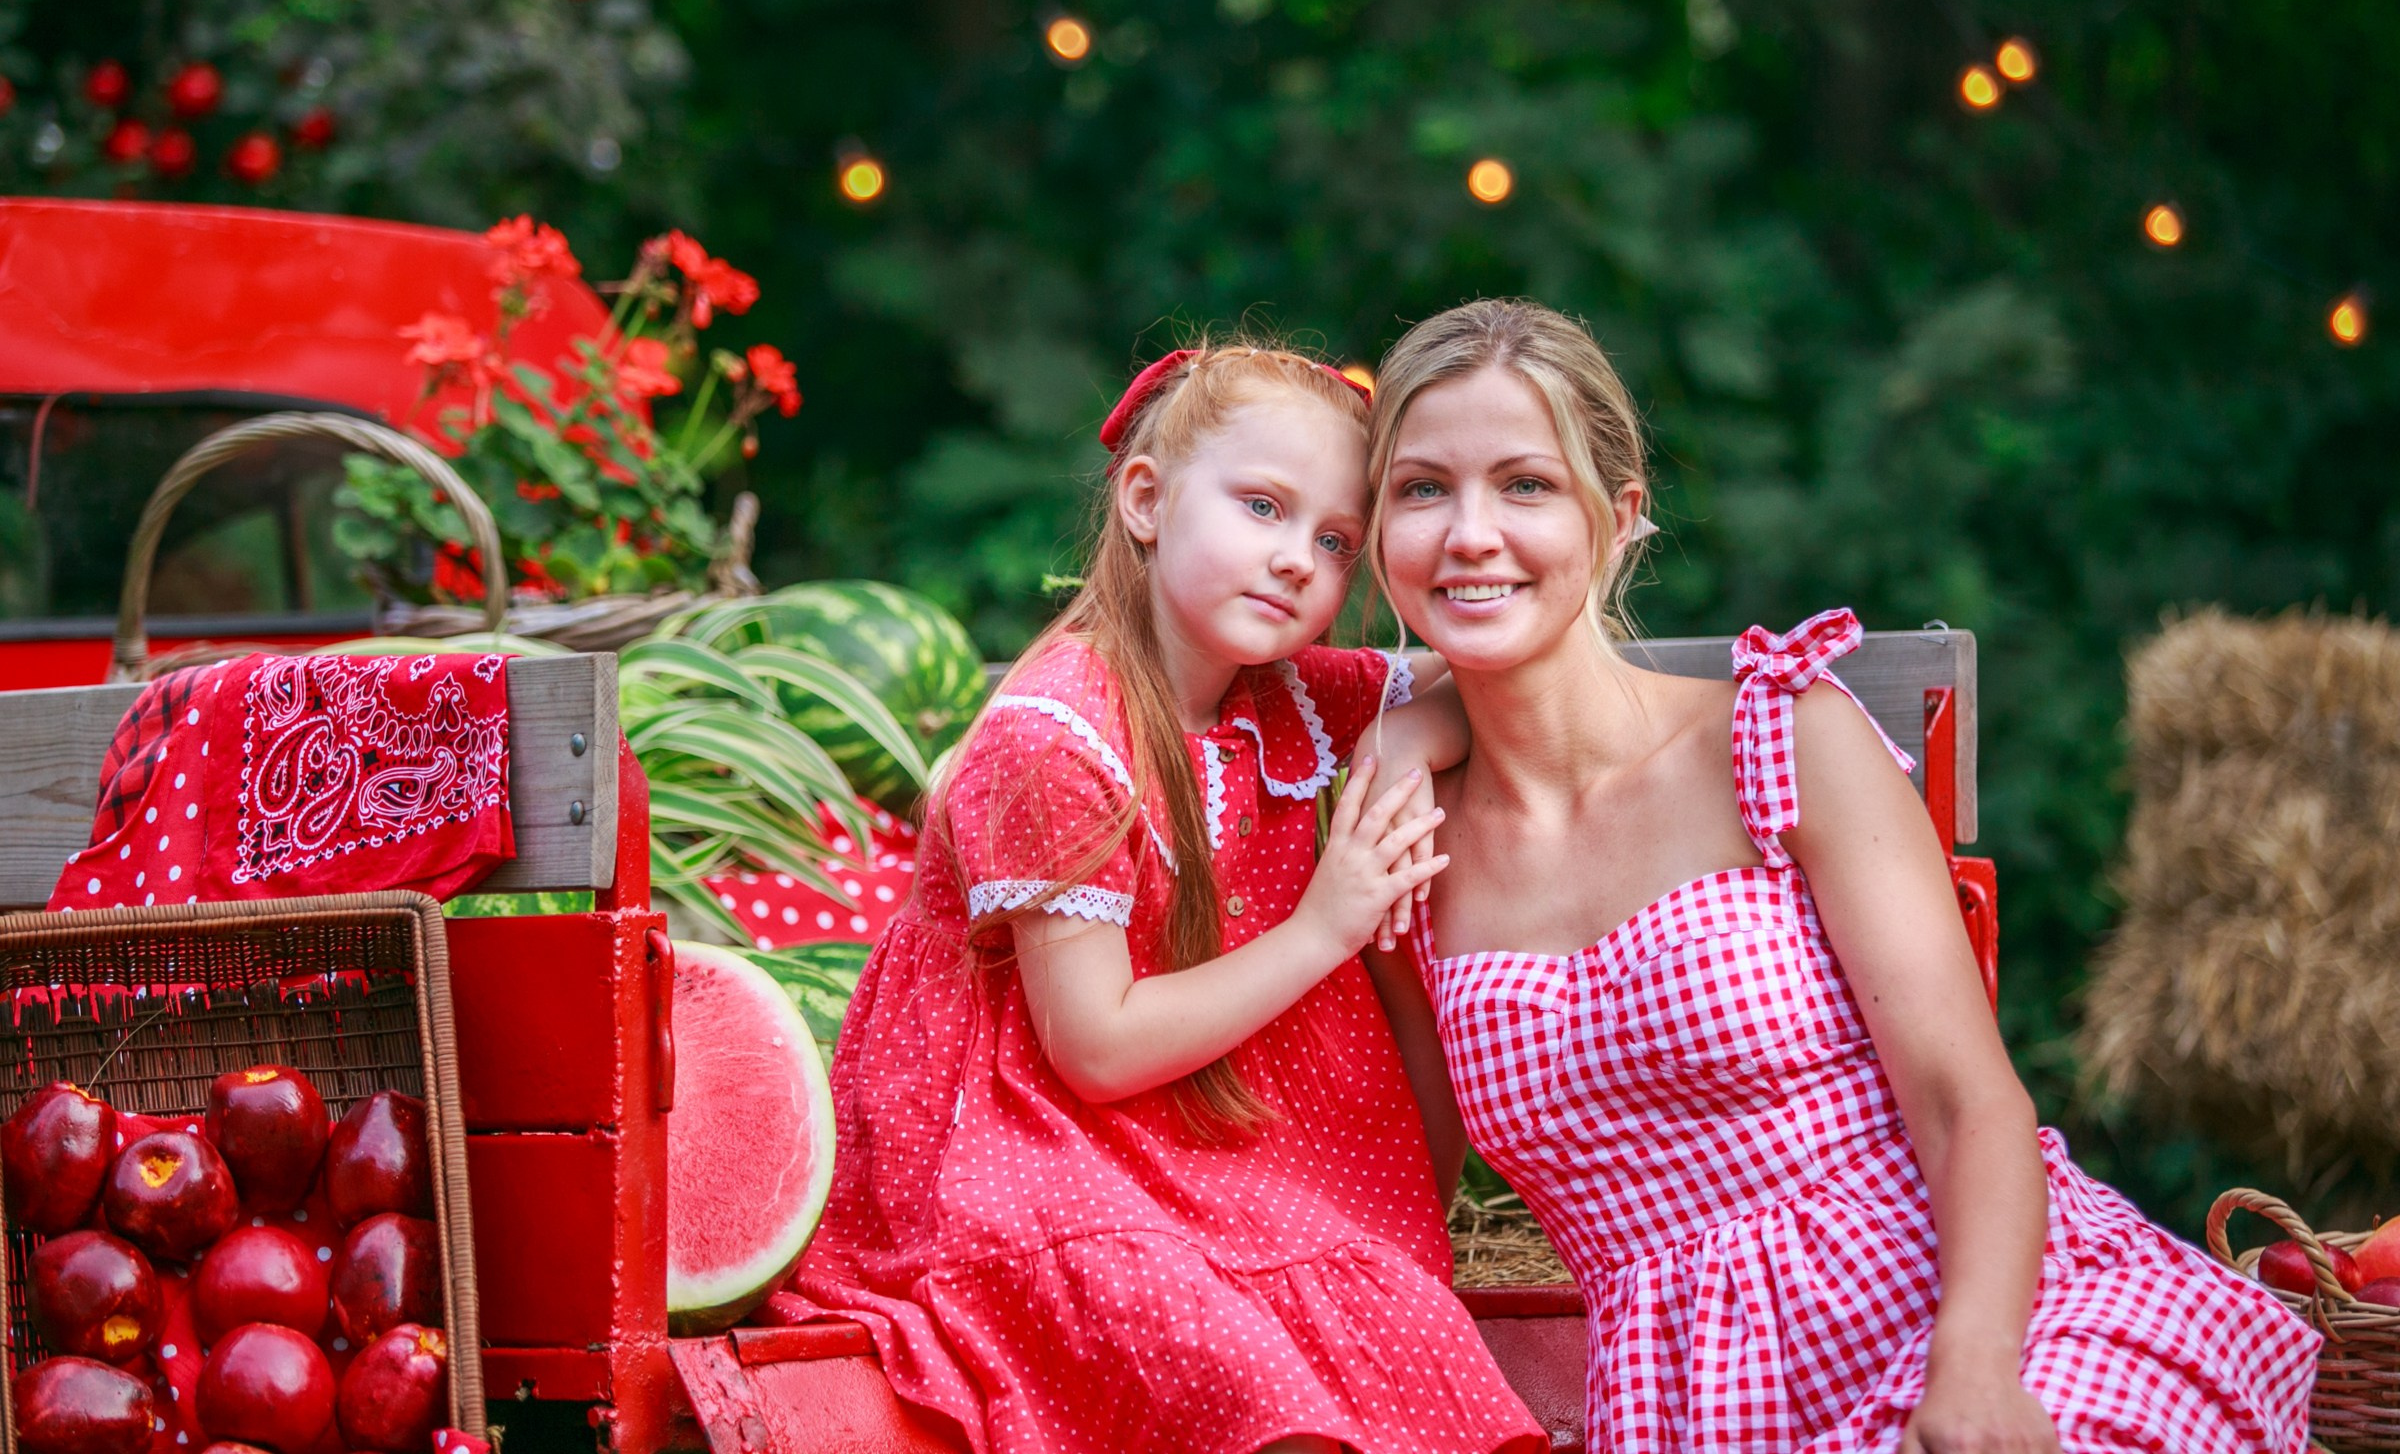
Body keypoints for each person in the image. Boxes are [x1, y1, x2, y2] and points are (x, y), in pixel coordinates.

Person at [1361, 298, 2320, 1454]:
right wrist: (1406, 729)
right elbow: (1396, 1192)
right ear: (1374, 530)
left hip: (1982, 1309)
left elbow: (1968, 1104)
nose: (1470, 533)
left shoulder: (1781, 736)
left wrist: (1972, 1378)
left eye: (1526, 484)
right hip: (1695, 1403)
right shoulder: (1404, 851)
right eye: (1422, 488)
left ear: (1617, 519)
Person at [798, 340, 1547, 1454]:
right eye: (1261, 506)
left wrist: (1396, 741)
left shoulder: (1284, 693)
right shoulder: (1056, 739)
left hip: (1240, 1165)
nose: (1297, 559)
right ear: (1146, 500)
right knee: (1228, 1365)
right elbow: (1094, 1048)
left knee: (1399, 1345)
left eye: (1335, 540)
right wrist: (1327, 924)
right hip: (1048, 1151)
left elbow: (1476, 682)